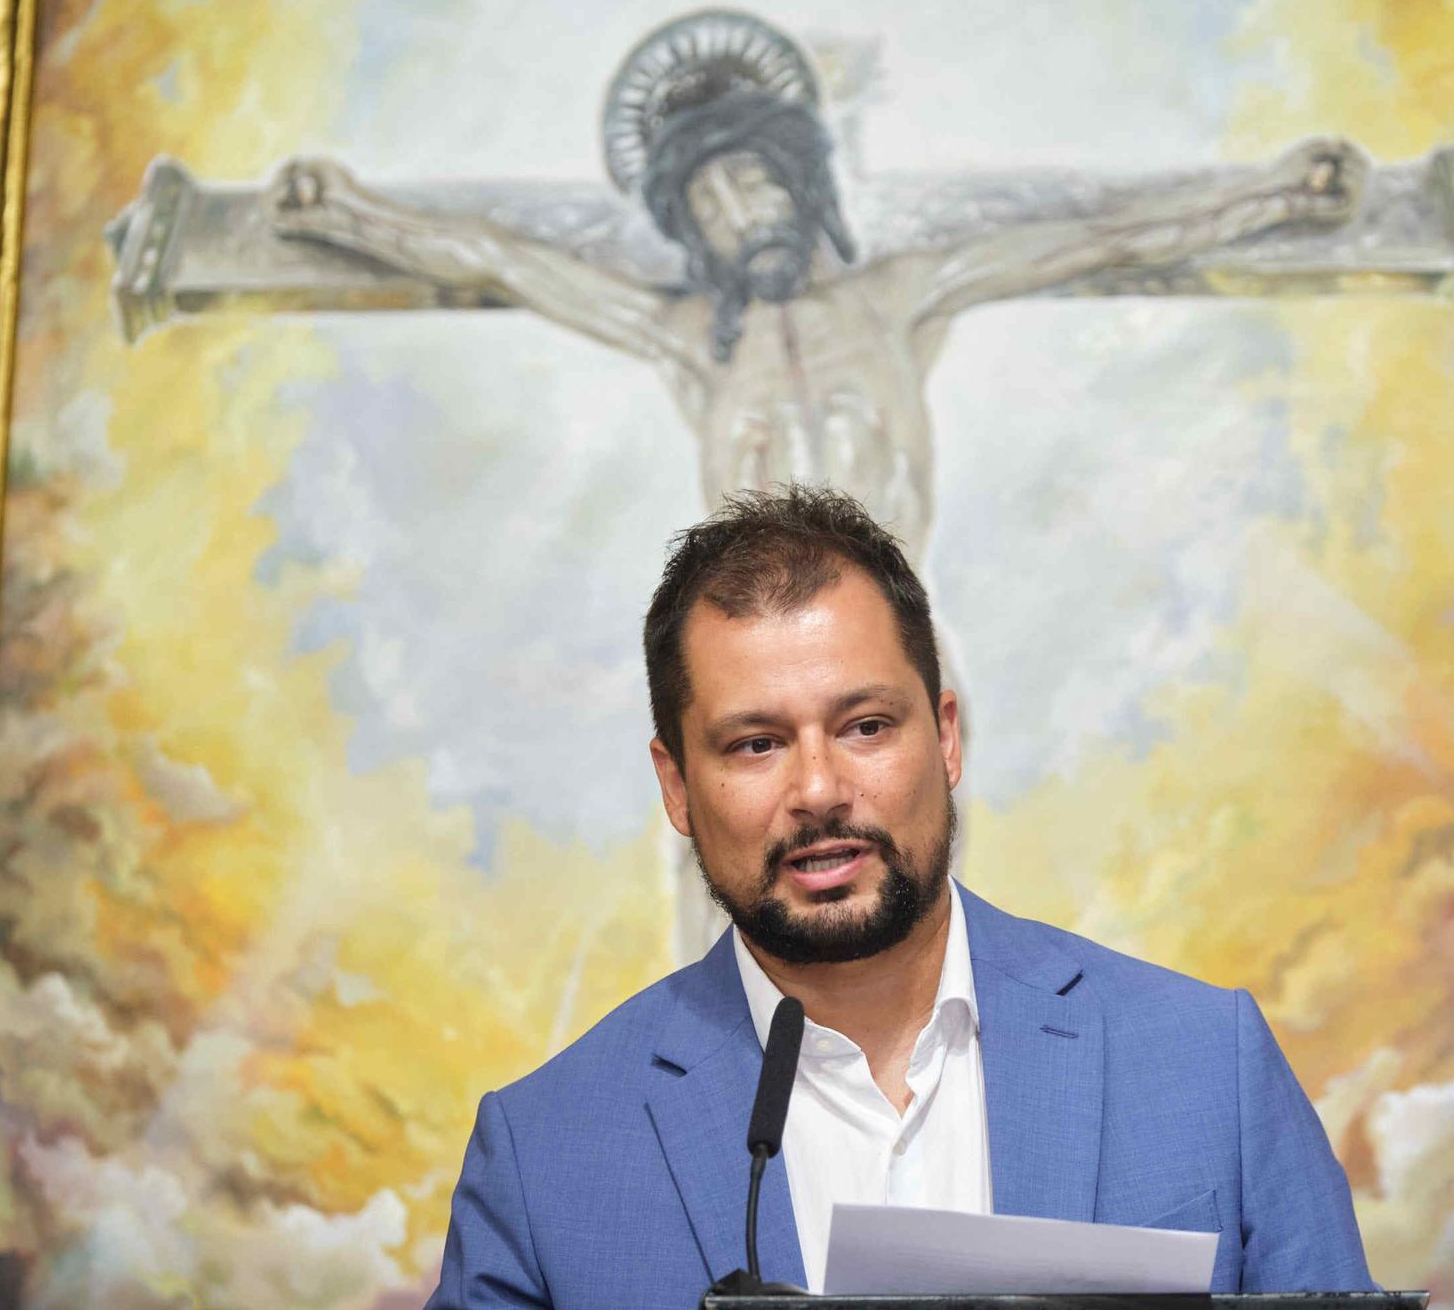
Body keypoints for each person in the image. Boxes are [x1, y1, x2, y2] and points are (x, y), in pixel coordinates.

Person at [429, 486, 1372, 1306]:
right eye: (755, 743)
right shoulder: (543, 1158)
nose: (819, 788)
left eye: (867, 724)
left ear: (947, 737)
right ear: (676, 785)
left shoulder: (1209, 1065)